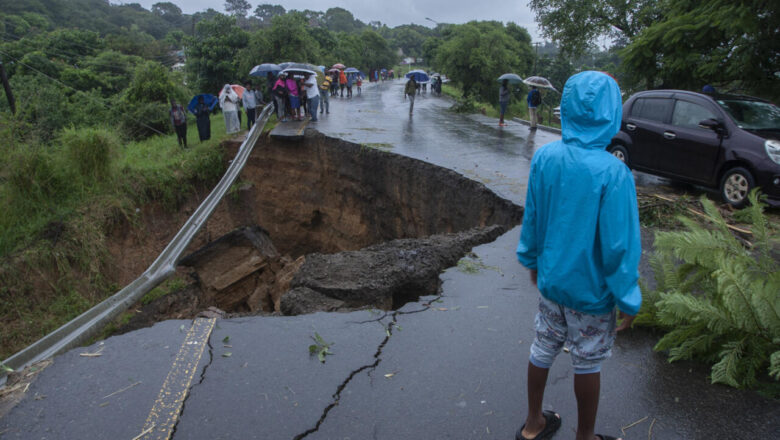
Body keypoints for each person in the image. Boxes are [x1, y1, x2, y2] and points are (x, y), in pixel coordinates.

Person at [515, 71, 640, 440]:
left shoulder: (545, 158)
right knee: (587, 361)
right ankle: (584, 437)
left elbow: (534, 218)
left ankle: (533, 423)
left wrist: (533, 262)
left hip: (553, 282)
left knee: (543, 346)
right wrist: (628, 298)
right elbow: (620, 246)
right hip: (592, 293)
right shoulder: (614, 173)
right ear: (611, 112)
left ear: (566, 107)